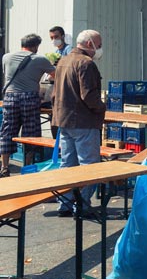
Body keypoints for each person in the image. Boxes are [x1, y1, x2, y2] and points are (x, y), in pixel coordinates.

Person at [51, 30, 106, 217]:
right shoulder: (86, 63)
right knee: (89, 166)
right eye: (99, 44)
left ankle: (65, 204)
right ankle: (82, 205)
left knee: (68, 164)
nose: (100, 48)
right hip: (84, 121)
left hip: (64, 120)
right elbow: (89, 96)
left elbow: (54, 93)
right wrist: (102, 107)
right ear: (90, 44)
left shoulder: (64, 61)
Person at [0, 34, 56, 177]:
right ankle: (28, 166)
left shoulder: (6, 57)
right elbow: (56, 76)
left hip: (10, 97)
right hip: (29, 98)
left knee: (7, 132)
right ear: (36, 46)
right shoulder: (39, 59)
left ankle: (4, 167)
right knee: (31, 132)